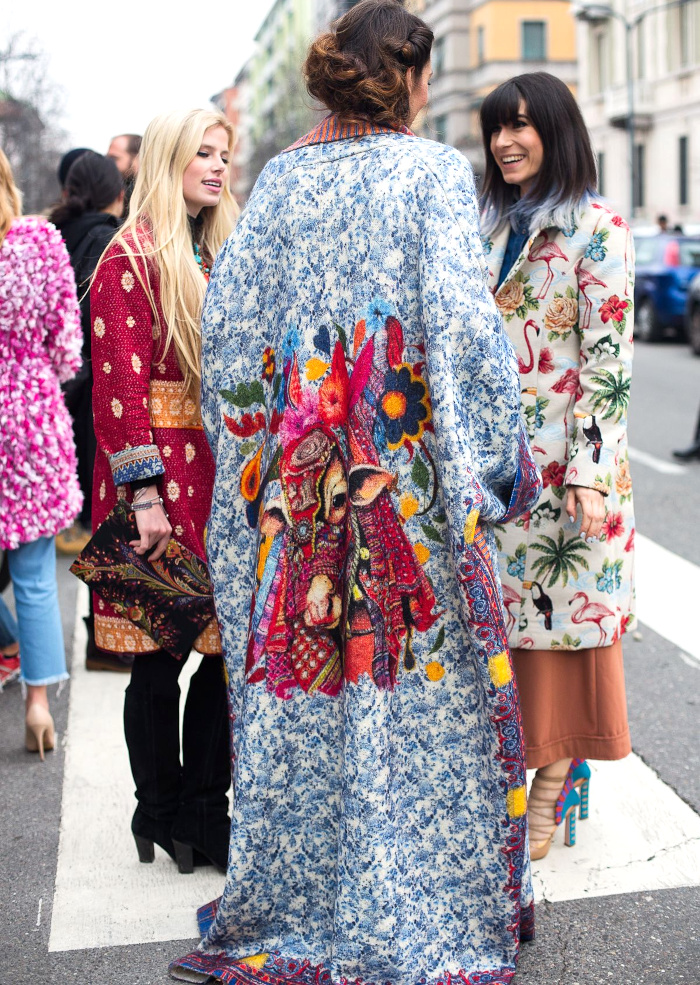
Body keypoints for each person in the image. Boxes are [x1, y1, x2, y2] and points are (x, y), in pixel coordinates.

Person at [170, 2, 541, 982]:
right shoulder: (429, 174)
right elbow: (464, 333)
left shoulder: (281, 182)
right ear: (406, 77)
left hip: (299, 507)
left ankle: (303, 900)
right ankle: (416, 903)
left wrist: (260, 466)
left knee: (312, 702)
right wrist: (499, 463)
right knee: (411, 709)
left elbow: (229, 339)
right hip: (406, 508)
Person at [479, 72, 635, 860]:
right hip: (494, 475)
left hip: (565, 475)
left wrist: (588, 471)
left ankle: (548, 789)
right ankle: (520, 783)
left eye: (520, 126)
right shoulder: (484, 227)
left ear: (555, 129)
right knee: (509, 635)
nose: (505, 141)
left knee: (565, 634)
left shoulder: (596, 229)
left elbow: (609, 361)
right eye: (495, 129)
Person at [90, 109, 239, 870]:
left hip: (213, 478)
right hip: (150, 481)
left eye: (223, 154)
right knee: (155, 657)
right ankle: (160, 806)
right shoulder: (132, 256)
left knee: (220, 651)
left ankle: (203, 811)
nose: (217, 166)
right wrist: (144, 494)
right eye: (201, 154)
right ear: (170, 159)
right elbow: (117, 385)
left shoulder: (213, 249)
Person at [0, 147, 83, 758]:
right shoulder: (39, 242)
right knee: (34, 577)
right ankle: (37, 704)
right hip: (29, 417)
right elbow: (67, 349)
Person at [50, 152, 124, 564]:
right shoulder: (109, 240)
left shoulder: (51, 233)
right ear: (117, 194)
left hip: (54, 379)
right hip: (94, 377)